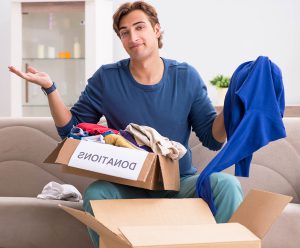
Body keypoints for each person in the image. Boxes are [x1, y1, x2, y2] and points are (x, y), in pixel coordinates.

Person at [9, 1, 243, 247]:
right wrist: (50, 88)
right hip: (128, 183)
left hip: (180, 182)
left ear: (156, 30)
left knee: (226, 184)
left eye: (139, 27)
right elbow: (71, 132)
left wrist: (233, 104)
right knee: (97, 193)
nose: (133, 37)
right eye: (124, 32)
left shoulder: (186, 76)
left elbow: (212, 138)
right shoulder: (106, 79)